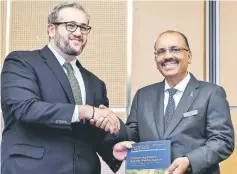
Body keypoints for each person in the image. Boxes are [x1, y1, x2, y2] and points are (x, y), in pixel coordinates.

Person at [1, 2, 123, 174]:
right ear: (51, 30)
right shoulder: (21, 62)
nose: (78, 33)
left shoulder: (96, 83)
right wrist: (86, 110)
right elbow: (25, 109)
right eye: (70, 26)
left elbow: (93, 135)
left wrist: (114, 149)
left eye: (83, 27)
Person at [113, 30, 235, 174]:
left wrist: (189, 161)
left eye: (175, 50)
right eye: (161, 51)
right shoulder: (143, 95)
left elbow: (223, 141)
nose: (168, 56)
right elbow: (133, 136)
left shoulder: (211, 93)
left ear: (189, 56)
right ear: (156, 59)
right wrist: (114, 125)